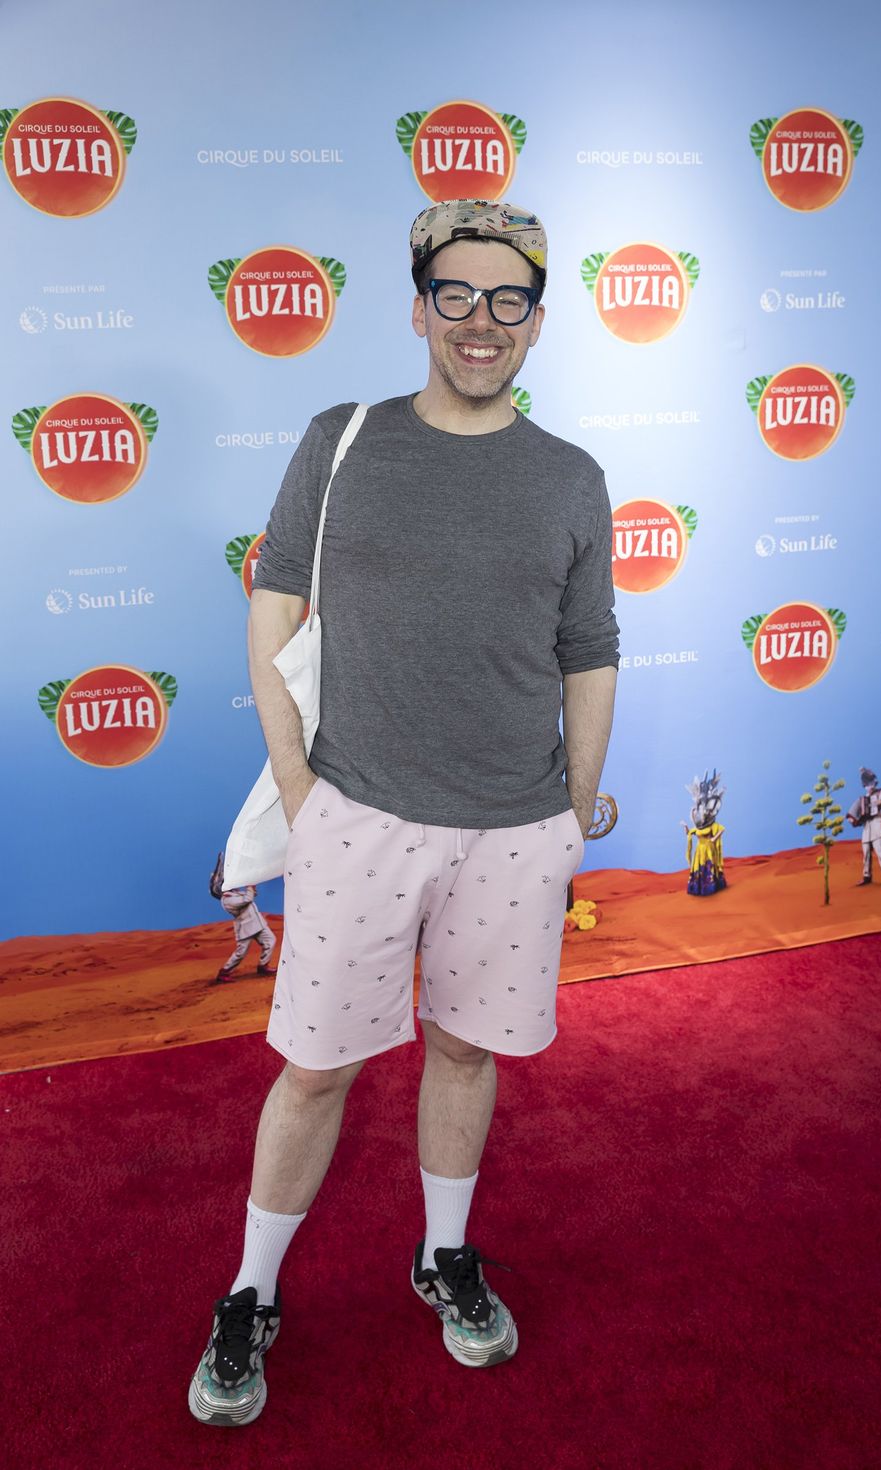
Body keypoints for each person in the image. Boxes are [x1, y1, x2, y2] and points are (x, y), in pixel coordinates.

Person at [188, 198, 620, 1426]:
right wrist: (298, 788)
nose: (481, 321)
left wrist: (570, 811)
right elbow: (274, 606)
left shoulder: (571, 478)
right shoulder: (342, 441)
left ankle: (442, 1256)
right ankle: (250, 1291)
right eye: (456, 295)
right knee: (313, 1070)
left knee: (466, 1051)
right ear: (418, 309)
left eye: (508, 299)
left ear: (536, 320)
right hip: (358, 817)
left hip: (515, 829)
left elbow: (588, 648)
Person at [214, 883, 276, 982]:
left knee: (270, 941)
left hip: (257, 923)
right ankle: (224, 972)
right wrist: (250, 887)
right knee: (240, 953)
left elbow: (251, 895)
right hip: (245, 928)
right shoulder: (227, 899)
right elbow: (247, 899)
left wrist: (252, 888)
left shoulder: (235, 893)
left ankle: (263, 965)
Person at [846, 767, 881, 885]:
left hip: (878, 828)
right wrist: (852, 819)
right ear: (864, 785)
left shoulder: (880, 793)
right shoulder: (862, 800)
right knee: (866, 855)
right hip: (867, 829)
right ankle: (866, 877)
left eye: (871, 783)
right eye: (867, 784)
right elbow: (852, 812)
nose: (870, 786)